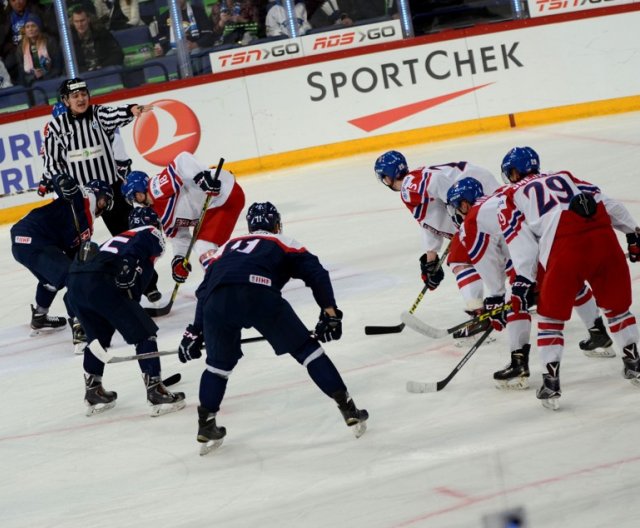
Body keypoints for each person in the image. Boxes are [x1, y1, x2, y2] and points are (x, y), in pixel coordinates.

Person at [177, 202, 368, 453]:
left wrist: (195, 330)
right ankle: (348, 409)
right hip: (259, 294)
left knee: (217, 367)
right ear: (276, 224)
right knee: (307, 351)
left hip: (216, 302)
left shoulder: (225, 247)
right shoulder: (283, 240)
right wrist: (330, 313)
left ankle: (206, 425)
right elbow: (317, 274)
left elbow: (205, 290)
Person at [498, 146, 640, 410]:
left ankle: (551, 382)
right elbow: (607, 203)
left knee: (550, 318)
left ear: (514, 172)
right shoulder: (565, 176)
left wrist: (523, 281)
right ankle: (634, 363)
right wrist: (633, 233)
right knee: (617, 308)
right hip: (603, 239)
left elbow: (523, 244)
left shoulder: (510, 195)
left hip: (565, 249)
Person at [447, 176, 614, 389]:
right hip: (560, 238)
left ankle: (519, 363)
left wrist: (496, 297)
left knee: (516, 300)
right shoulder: (498, 196)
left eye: (457, 207)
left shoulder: (473, 219)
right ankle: (598, 333)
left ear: (463, 203)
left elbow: (486, 260)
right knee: (574, 282)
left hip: (535, 251)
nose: (457, 212)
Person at [65, 206, 186, 417]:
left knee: (97, 339)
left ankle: (93, 391)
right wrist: (129, 273)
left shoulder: (115, 239)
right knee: (144, 332)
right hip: (101, 282)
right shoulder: (150, 232)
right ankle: (155, 390)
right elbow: (135, 257)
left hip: (76, 285)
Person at [374, 150, 501, 338]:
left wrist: (457, 206)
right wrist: (430, 257)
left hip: (482, 192)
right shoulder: (411, 188)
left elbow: (437, 181)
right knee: (492, 248)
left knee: (460, 257)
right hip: (481, 193)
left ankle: (479, 315)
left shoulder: (409, 185)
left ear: (388, 176)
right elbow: (431, 218)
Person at [10, 173, 114, 337]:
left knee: (52, 280)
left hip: (24, 241)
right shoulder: (84, 198)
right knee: (72, 279)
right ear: (101, 196)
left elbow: (76, 257)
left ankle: (40, 316)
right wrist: (63, 181)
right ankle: (80, 329)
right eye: (105, 200)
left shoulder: (86, 223)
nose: (104, 206)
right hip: (34, 238)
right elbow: (61, 181)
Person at [121, 152, 245, 284]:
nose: (137, 202)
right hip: (217, 207)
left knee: (203, 246)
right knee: (210, 249)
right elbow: (180, 236)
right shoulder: (158, 215)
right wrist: (179, 259)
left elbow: (182, 159)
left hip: (224, 194)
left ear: (139, 194)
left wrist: (202, 177)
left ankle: (222, 284)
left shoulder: (156, 188)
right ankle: (229, 279)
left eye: (134, 198)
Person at [69, 5, 124, 72]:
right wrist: (86, 70)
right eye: (76, 21)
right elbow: (67, 66)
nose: (80, 25)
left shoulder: (101, 32)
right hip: (84, 75)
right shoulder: (69, 40)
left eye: (82, 20)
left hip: (104, 70)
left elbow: (118, 54)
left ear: (88, 19)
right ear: (73, 22)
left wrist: (101, 66)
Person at [15, 13, 62, 86]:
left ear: (39, 27)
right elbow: (21, 70)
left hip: (50, 79)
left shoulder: (50, 42)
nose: (30, 29)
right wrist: (33, 76)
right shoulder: (21, 47)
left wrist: (44, 76)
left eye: (33, 26)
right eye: (27, 27)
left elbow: (57, 66)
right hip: (30, 82)